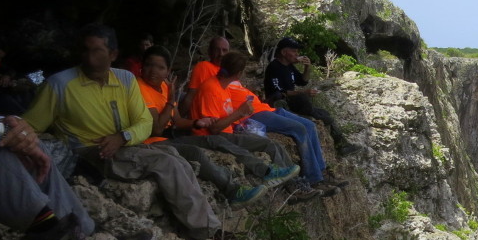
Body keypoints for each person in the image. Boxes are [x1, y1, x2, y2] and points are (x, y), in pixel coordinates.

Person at [23, 23, 223, 240]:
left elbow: (144, 121)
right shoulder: (59, 85)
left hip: (124, 144)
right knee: (168, 163)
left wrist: (122, 137)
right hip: (89, 152)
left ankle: (204, 225)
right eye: (85, 50)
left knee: (179, 159)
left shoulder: (125, 80)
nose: (89, 58)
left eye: (97, 51)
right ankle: (205, 232)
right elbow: (30, 126)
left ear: (113, 54)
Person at [0, 113, 147, 240]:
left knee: (31, 146)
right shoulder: (62, 86)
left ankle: (80, 234)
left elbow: (147, 121)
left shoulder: (126, 87)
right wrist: (3, 131)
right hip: (91, 147)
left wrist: (15, 127)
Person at [136, 45, 301, 203]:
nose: (153, 71)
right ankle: (244, 185)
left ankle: (287, 182)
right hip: (155, 140)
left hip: (178, 134)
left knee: (263, 143)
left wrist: (197, 122)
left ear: (168, 71)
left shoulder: (165, 86)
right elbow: (157, 130)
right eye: (149, 65)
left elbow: (178, 121)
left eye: (160, 67)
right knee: (203, 149)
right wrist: (172, 103)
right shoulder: (141, 88)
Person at [192, 51, 347, 194]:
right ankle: (312, 178)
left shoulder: (224, 85)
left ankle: (321, 172)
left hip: (266, 109)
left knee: (310, 125)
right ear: (239, 73)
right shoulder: (213, 87)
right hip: (253, 116)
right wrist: (240, 113)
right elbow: (215, 124)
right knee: (299, 129)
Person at [263, 37, 361, 156]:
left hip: (291, 101)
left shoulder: (289, 66)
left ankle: (342, 144)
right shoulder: (274, 67)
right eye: (294, 51)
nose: (297, 54)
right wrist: (303, 92)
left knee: (324, 112)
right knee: (308, 104)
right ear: (284, 52)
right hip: (279, 102)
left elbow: (303, 81)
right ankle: (337, 139)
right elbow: (280, 92)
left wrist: (307, 67)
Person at [181, 36, 230, 115]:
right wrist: (178, 121)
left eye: (224, 50)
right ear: (210, 51)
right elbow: (190, 96)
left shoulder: (229, 70)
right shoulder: (204, 67)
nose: (221, 54)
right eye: (217, 50)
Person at [0, 41, 36, 115]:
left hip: (0, 92)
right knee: (6, 99)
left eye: (0, 58)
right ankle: (26, 117)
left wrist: (7, 76)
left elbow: (10, 70)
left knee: (26, 90)